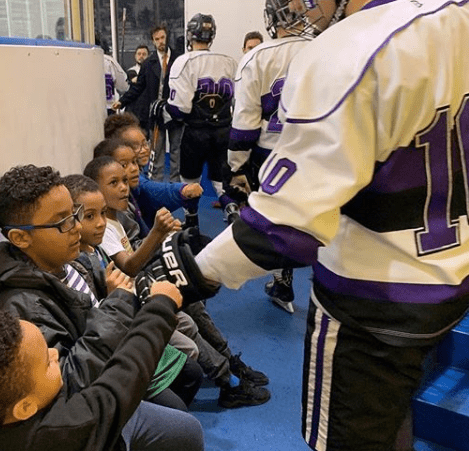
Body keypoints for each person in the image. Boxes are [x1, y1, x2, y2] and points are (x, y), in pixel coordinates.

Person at [150, 0, 469, 449]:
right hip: (448, 273)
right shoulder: (456, 19)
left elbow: (282, 226)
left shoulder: (352, 45)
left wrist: (190, 274)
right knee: (397, 409)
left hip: (370, 297)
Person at [0, 164, 203, 449]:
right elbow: (67, 385)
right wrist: (119, 303)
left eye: (74, 215)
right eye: (62, 222)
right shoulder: (23, 308)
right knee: (182, 424)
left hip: (111, 358)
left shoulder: (65, 260)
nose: (76, 228)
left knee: (188, 393)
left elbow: (103, 291)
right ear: (21, 237)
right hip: (93, 396)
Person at [68, 171, 271, 409]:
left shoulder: (117, 221)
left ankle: (227, 364)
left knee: (190, 309)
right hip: (129, 319)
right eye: (114, 181)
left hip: (133, 305)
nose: (126, 182)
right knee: (189, 340)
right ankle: (227, 378)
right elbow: (130, 269)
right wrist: (158, 234)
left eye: (127, 173)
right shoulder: (91, 250)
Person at [0, 304, 205, 450]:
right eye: (46, 362)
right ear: (25, 407)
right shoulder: (64, 430)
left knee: (182, 429)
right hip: (97, 425)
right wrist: (160, 306)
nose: (55, 354)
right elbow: (126, 375)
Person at [227, 0, 338, 314]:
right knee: (320, 222)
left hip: (272, 154)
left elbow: (244, 124)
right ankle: (326, 288)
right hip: (322, 152)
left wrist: (237, 168)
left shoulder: (258, 57)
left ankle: (282, 282)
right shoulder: (329, 47)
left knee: (277, 222)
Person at [165, 13, 238, 220]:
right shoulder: (229, 62)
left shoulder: (184, 62)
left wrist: (165, 108)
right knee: (221, 182)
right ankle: (232, 213)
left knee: (189, 181)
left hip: (195, 131)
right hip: (224, 130)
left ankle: (191, 220)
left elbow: (180, 110)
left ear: (190, 34)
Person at [112, 24, 183, 182]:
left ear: (167, 37)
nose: (160, 42)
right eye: (156, 39)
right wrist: (122, 101)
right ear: (153, 41)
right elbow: (138, 87)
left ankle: (176, 185)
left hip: (175, 113)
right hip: (156, 113)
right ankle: (156, 184)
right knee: (155, 151)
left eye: (162, 38)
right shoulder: (148, 63)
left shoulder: (179, 59)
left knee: (176, 151)